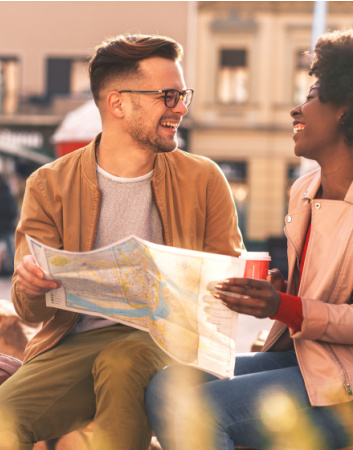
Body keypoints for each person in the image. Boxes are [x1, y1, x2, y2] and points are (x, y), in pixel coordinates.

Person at [145, 27, 353, 450]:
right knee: (166, 385)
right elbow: (316, 300)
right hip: (309, 362)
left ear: (346, 111)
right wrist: (280, 294)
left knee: (197, 409)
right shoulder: (304, 190)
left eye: (312, 96)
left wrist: (284, 305)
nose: (297, 109)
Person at [0, 33, 243, 450]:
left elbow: (228, 282)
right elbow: (30, 309)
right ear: (117, 103)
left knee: (122, 360)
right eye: (168, 96)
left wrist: (244, 285)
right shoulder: (48, 184)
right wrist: (30, 284)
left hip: (170, 342)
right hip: (74, 341)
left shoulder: (204, 179)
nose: (182, 107)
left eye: (182, 94)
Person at [0, 175, 18, 275]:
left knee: (8, 246)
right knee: (10, 247)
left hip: (4, 225)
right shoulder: (7, 192)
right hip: (7, 225)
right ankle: (14, 267)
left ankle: (8, 267)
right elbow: (13, 209)